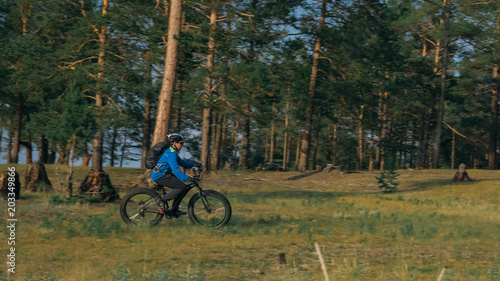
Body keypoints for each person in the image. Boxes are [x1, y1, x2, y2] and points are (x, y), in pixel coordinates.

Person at [151, 133, 201, 216]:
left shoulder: (172, 152)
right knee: (181, 187)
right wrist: (188, 178)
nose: (182, 145)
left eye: (183, 143)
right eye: (181, 143)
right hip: (159, 175)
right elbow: (176, 170)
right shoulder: (171, 153)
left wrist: (194, 164)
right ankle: (162, 200)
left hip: (164, 174)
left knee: (183, 187)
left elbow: (181, 162)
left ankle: (174, 210)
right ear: (174, 143)